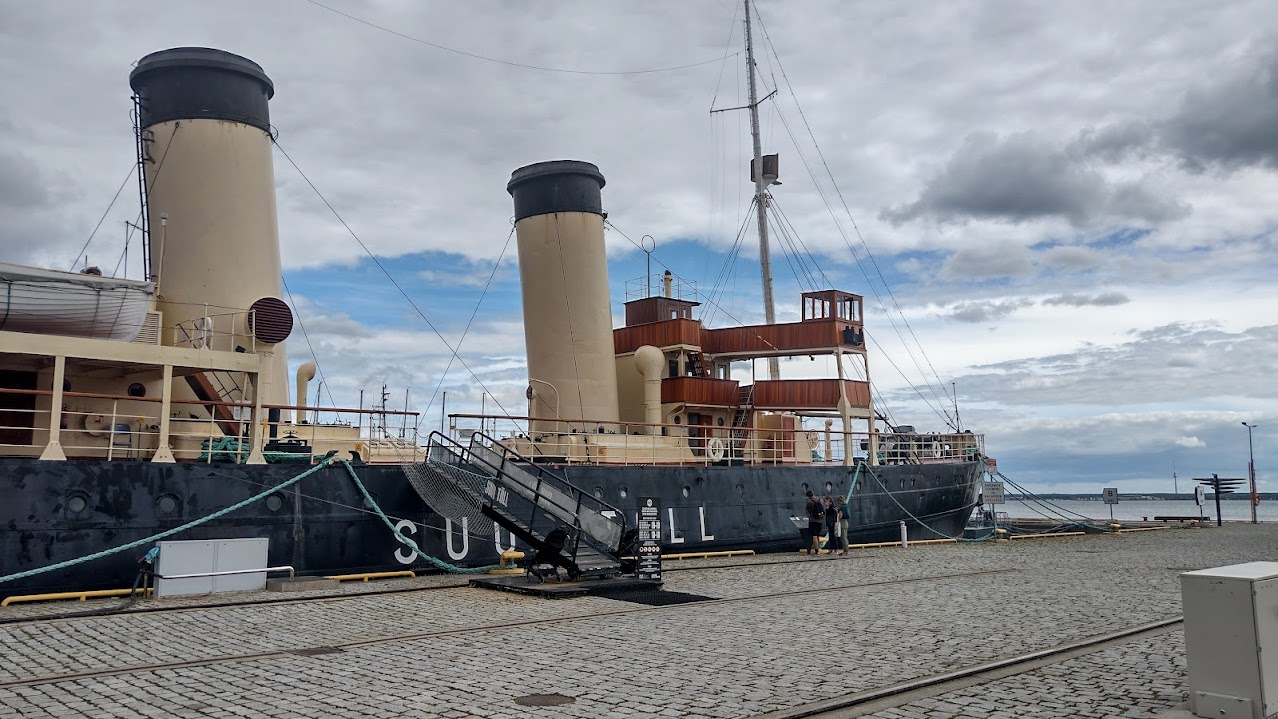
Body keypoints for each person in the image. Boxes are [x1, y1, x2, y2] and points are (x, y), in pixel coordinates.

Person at [804, 491, 823, 555]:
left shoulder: (810, 503)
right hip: (820, 520)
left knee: (814, 536)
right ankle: (819, 548)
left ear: (809, 496)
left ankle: (817, 550)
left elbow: (806, 511)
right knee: (818, 535)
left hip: (813, 521)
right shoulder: (821, 500)